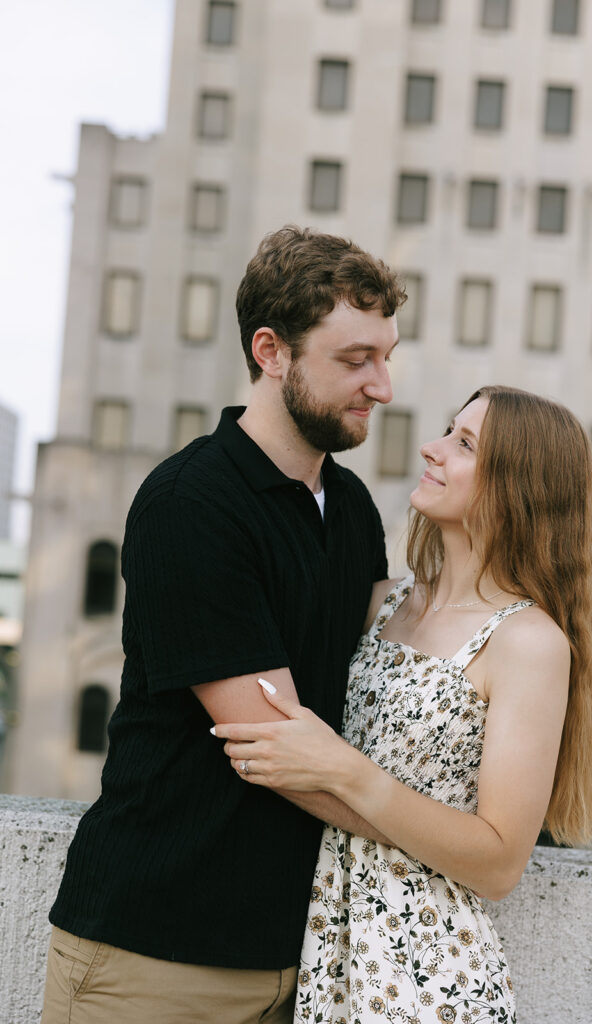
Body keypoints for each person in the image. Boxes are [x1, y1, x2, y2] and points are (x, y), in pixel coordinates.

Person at [41, 226, 406, 1024]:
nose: (381, 386)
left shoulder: (351, 510)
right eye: (354, 360)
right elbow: (276, 750)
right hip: (151, 960)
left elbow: (380, 703)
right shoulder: (191, 507)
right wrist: (451, 839)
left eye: (386, 356)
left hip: (296, 960)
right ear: (270, 352)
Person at [214, 385, 592, 1023]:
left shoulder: (528, 642)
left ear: (518, 486)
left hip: (426, 972)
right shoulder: (384, 601)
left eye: (464, 444)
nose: (433, 447)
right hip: (318, 950)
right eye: (450, 431)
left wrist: (342, 769)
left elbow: (502, 860)